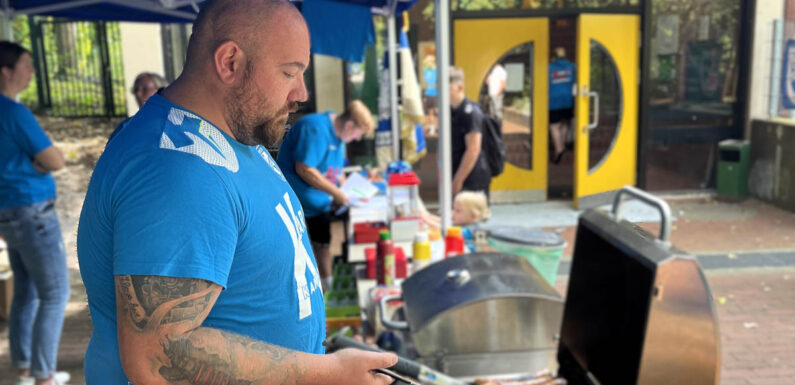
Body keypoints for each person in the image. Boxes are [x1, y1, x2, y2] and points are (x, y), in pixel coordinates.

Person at [76, 1, 396, 385]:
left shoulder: (235, 132)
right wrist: (325, 373)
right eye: (289, 72)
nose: (301, 93)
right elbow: (157, 356)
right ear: (229, 62)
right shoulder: (178, 171)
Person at [0, 41, 71, 385]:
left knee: (26, 291)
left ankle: (24, 366)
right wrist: (39, 163)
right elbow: (55, 159)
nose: (32, 72)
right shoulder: (13, 113)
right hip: (33, 211)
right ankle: (43, 376)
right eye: (27, 65)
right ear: (6, 71)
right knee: (55, 293)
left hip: (9, 211)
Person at [276, 100, 375, 291]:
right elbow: (304, 169)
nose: (356, 139)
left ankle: (327, 287)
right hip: (298, 205)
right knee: (299, 253)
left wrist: (350, 189)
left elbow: (337, 170)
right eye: (357, 134)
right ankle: (310, 291)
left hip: (319, 205)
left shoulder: (340, 137)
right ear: (349, 125)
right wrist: (337, 193)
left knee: (323, 246)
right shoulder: (314, 129)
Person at [449, 66, 492, 197]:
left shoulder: (470, 112)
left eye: (446, 89)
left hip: (471, 178)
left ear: (459, 87)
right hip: (456, 172)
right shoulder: (450, 111)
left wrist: (457, 181)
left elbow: (473, 149)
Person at [107, 72, 169, 143]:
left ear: (161, 90)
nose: (138, 94)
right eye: (136, 90)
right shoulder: (125, 127)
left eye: (145, 89)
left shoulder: (176, 124)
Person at [548, 47, 576, 164]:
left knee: (554, 126)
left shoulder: (549, 68)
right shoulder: (572, 67)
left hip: (553, 102)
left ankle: (558, 148)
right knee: (564, 123)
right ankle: (563, 144)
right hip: (568, 100)